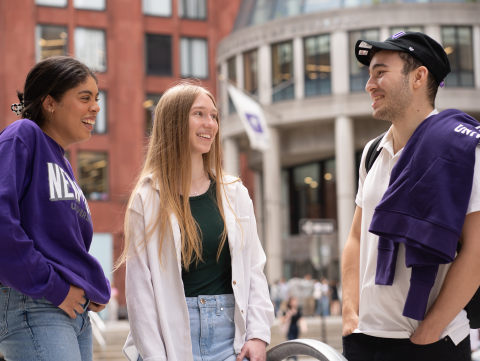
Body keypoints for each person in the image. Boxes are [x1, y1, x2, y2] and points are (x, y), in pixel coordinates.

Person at [341, 31, 480, 361]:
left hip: (430, 343)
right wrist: (349, 312)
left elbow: (477, 250)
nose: (369, 85)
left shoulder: (465, 149)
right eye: (369, 74)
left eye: (380, 72)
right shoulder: (372, 153)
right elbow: (356, 238)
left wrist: (429, 334)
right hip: (365, 339)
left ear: (419, 77)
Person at [118, 82, 275, 361]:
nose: (210, 124)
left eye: (214, 116)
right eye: (199, 114)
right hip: (169, 339)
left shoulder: (235, 193)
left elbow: (254, 269)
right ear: (174, 121)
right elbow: (140, 293)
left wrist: (258, 334)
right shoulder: (147, 198)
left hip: (230, 339)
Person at [0, 56, 111, 361]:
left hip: (70, 311)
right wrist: (54, 287)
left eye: (97, 99)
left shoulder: (62, 162)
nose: (96, 107)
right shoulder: (23, 135)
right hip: (34, 302)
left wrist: (88, 287)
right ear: (50, 102)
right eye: (84, 97)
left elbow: (64, 246)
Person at [280, 297, 306, 361]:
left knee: (294, 343)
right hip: (289, 329)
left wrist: (304, 326)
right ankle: (294, 358)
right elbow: (282, 320)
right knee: (291, 342)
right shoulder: (287, 310)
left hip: (295, 328)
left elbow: (301, 318)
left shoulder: (298, 310)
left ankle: (289, 356)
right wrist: (288, 315)